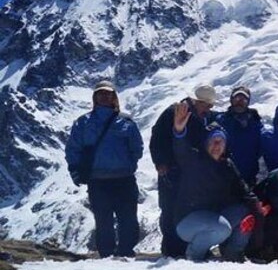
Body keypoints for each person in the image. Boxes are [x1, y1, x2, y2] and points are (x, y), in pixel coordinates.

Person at [65, 81, 143, 258]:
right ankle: (107, 255)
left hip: (123, 177)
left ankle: (126, 253)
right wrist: (75, 171)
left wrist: (130, 166)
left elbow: (136, 147)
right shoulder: (83, 122)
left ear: (114, 97)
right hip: (98, 179)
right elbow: (73, 148)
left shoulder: (126, 121)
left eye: (108, 94)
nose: (104, 96)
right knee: (103, 220)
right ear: (95, 97)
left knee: (128, 218)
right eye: (101, 94)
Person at [172, 108, 260, 262]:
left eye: (221, 141)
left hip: (212, 217)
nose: (217, 145)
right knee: (223, 228)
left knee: (246, 212)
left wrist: (257, 207)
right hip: (187, 221)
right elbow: (181, 150)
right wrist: (179, 131)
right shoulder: (194, 160)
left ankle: (233, 253)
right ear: (206, 143)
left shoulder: (227, 165)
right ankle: (194, 256)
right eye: (213, 141)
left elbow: (243, 189)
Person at [149, 84, 217, 258]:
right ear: (197, 101)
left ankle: (188, 247)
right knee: (170, 209)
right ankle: (171, 250)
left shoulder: (201, 117)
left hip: (189, 173)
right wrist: (160, 162)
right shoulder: (174, 112)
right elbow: (157, 138)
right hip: (171, 171)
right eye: (207, 104)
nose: (209, 108)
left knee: (189, 210)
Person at [215, 86, 263, 186]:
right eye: (237, 98)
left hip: (248, 177)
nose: (240, 102)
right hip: (224, 177)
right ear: (231, 100)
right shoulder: (221, 121)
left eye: (244, 99)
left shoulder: (255, 122)